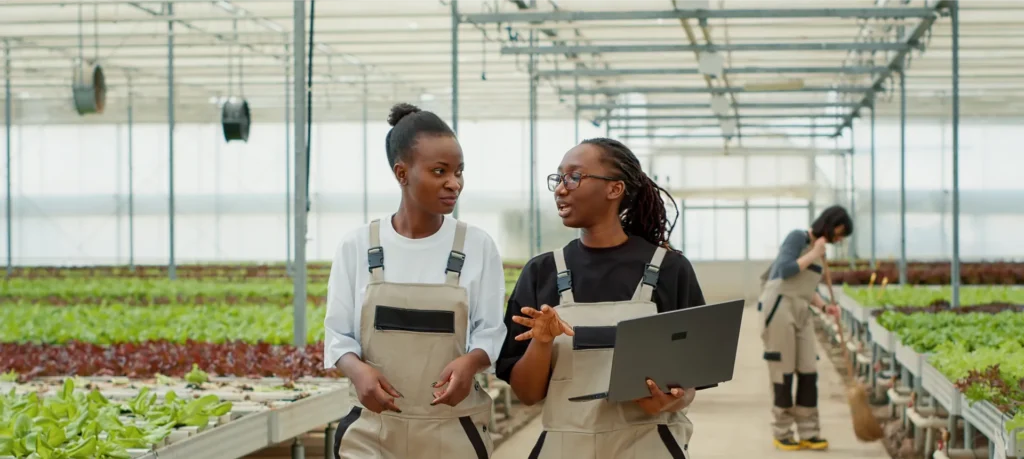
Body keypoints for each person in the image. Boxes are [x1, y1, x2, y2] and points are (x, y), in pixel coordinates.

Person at [495, 138, 706, 459]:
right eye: (558, 178)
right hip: (565, 447)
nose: (560, 189)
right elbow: (527, 394)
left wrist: (672, 400)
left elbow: (691, 380)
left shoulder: (669, 269)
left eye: (573, 177)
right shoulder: (541, 272)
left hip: (649, 444)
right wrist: (541, 342)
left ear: (614, 189)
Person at [323, 103, 507, 459]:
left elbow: (490, 330)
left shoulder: (477, 245)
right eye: (440, 171)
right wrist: (357, 371)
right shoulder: (358, 245)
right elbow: (338, 335)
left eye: (459, 171)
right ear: (402, 173)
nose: (454, 183)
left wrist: (471, 363)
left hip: (452, 429)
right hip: (372, 432)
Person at [758, 205, 853, 451]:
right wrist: (814, 253)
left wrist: (825, 307)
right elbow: (785, 270)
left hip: (801, 310)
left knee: (809, 370)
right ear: (831, 224)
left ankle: (809, 431)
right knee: (783, 371)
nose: (840, 239)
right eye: (840, 232)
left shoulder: (819, 250)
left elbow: (806, 289)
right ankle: (782, 431)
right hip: (779, 307)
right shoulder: (798, 238)